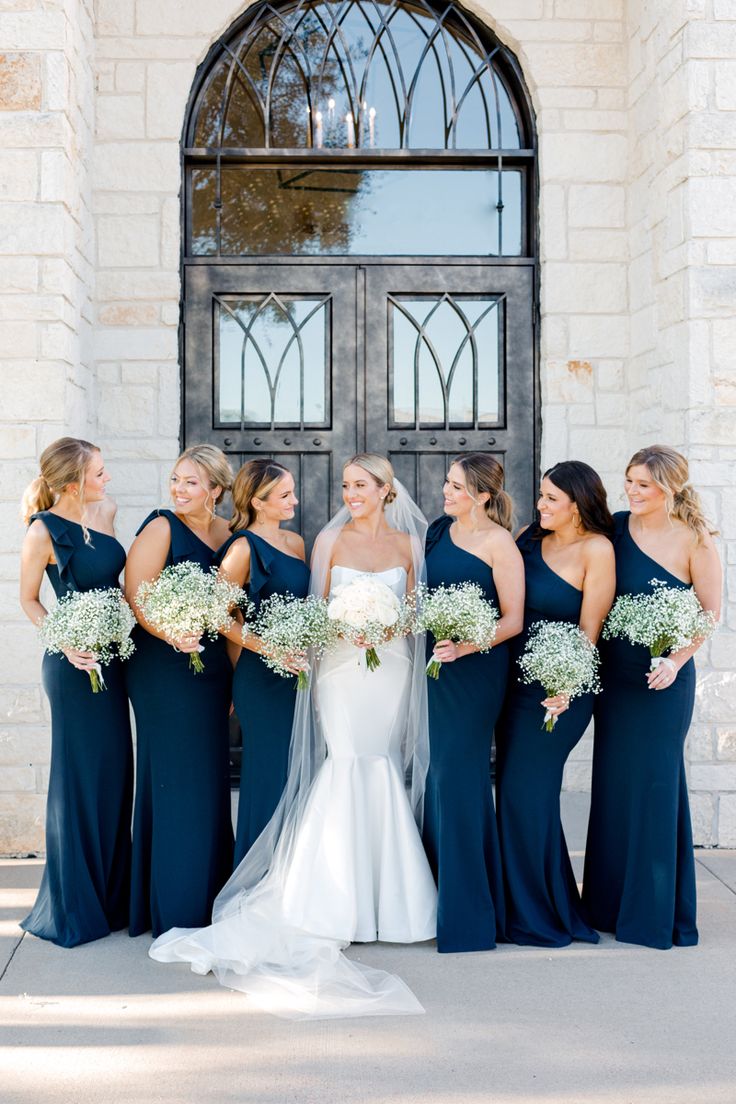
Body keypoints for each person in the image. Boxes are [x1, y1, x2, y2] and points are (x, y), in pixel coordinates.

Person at [149, 454, 437, 1019]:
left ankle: (388, 899)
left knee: (378, 760)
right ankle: (322, 898)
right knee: (342, 761)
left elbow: (414, 610)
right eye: (345, 485)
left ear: (386, 490)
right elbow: (302, 611)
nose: (346, 493)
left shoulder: (394, 546)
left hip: (391, 666)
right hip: (333, 668)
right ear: (258, 500)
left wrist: (386, 625)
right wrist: (296, 642)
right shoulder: (320, 544)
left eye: (360, 485)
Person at [583, 445, 722, 949]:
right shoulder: (616, 529)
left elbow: (710, 612)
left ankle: (655, 911)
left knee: (656, 786)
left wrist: (675, 660)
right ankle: (607, 906)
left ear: (670, 488)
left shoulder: (696, 539)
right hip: (616, 678)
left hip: (664, 680)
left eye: (644, 484)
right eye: (630, 481)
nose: (633, 491)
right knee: (616, 786)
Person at [496, 461, 615, 947]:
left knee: (529, 794)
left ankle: (539, 914)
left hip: (561, 691)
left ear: (578, 504)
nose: (540, 505)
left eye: (550, 499)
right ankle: (526, 903)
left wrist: (566, 685)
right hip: (513, 685)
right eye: (541, 496)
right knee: (515, 795)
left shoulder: (597, 550)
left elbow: (590, 633)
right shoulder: (529, 537)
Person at [19, 437, 133, 947]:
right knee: (77, 778)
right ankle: (75, 907)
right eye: (100, 472)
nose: (107, 479)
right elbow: (29, 599)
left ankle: (110, 899)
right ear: (72, 482)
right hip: (72, 666)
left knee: (114, 772)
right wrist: (65, 643)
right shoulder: (42, 531)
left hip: (114, 661)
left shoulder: (105, 511)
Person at [125, 445, 234, 938]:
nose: (178, 490)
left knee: (208, 779)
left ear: (215, 489)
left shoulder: (230, 534)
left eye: (191, 482)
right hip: (162, 667)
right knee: (173, 779)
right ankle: (172, 908)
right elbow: (137, 594)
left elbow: (232, 610)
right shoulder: (162, 527)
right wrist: (173, 633)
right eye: (175, 480)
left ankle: (211, 894)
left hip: (210, 668)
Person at [422, 454, 524, 952]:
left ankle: (468, 916)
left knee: (457, 777)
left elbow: (513, 620)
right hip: (437, 668)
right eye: (447, 483)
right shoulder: (438, 531)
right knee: (440, 776)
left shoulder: (498, 543)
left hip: (476, 671)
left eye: (457, 486)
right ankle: (440, 897)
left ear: (483, 495)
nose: (446, 492)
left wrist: (466, 644)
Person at [216, 459, 309, 866]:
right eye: (285, 495)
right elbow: (217, 617)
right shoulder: (241, 548)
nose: (295, 500)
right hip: (262, 678)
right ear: (258, 501)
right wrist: (268, 647)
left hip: (299, 677)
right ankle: (255, 881)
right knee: (268, 776)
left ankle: (293, 878)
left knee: (299, 774)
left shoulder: (296, 543)